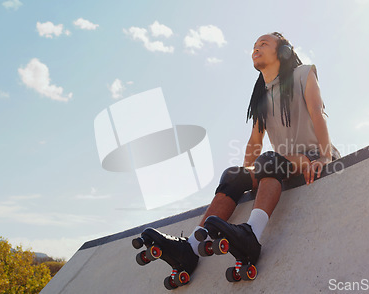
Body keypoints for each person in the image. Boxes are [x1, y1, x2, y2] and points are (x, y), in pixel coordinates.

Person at [140, 32, 340, 286]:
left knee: (268, 160)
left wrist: (324, 156)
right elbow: (255, 142)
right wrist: (248, 176)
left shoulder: (304, 74)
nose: (256, 49)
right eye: (254, 46)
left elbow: (317, 112)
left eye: (263, 44)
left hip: (312, 156)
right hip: (282, 162)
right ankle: (189, 249)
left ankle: (251, 235)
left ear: (283, 52)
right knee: (234, 175)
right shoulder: (261, 97)